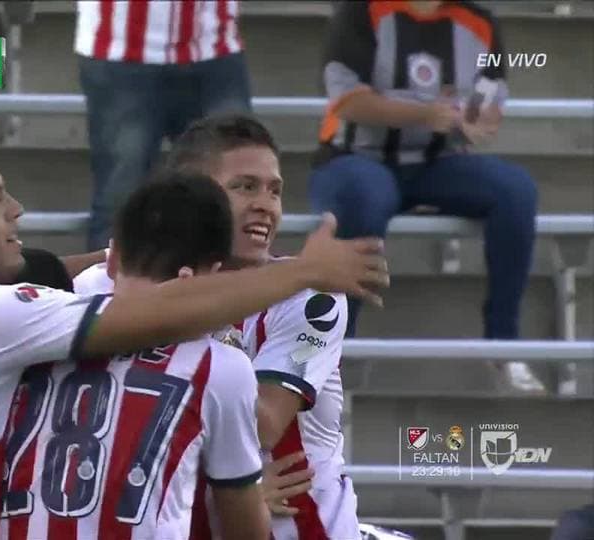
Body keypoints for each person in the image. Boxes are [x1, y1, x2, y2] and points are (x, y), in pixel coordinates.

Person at [0, 126, 387, 539]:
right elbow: (151, 313)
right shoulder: (1, 320)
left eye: (273, 189)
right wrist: (309, 270)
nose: (17, 212)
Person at [74, 114, 359, 539]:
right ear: (193, 195)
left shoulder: (310, 297)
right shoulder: (104, 285)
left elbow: (262, 426)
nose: (266, 203)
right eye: (245, 187)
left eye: (275, 190)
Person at [0, 173, 269, 539]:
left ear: (113, 259)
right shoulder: (219, 366)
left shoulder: (35, 325)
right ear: (213, 276)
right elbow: (243, 525)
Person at [308, 1, 542, 390]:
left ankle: (503, 342)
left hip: (439, 162)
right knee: (365, 198)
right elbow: (347, 100)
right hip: (355, 157)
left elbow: (488, 104)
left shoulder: (480, 22)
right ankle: (335, 344)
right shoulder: (361, 12)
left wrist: (474, 118)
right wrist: (424, 113)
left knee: (516, 191)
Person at [76, 0, 253, 250]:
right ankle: (109, 287)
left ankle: (240, 284)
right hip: (119, 49)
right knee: (121, 193)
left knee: (238, 181)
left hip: (215, 46)